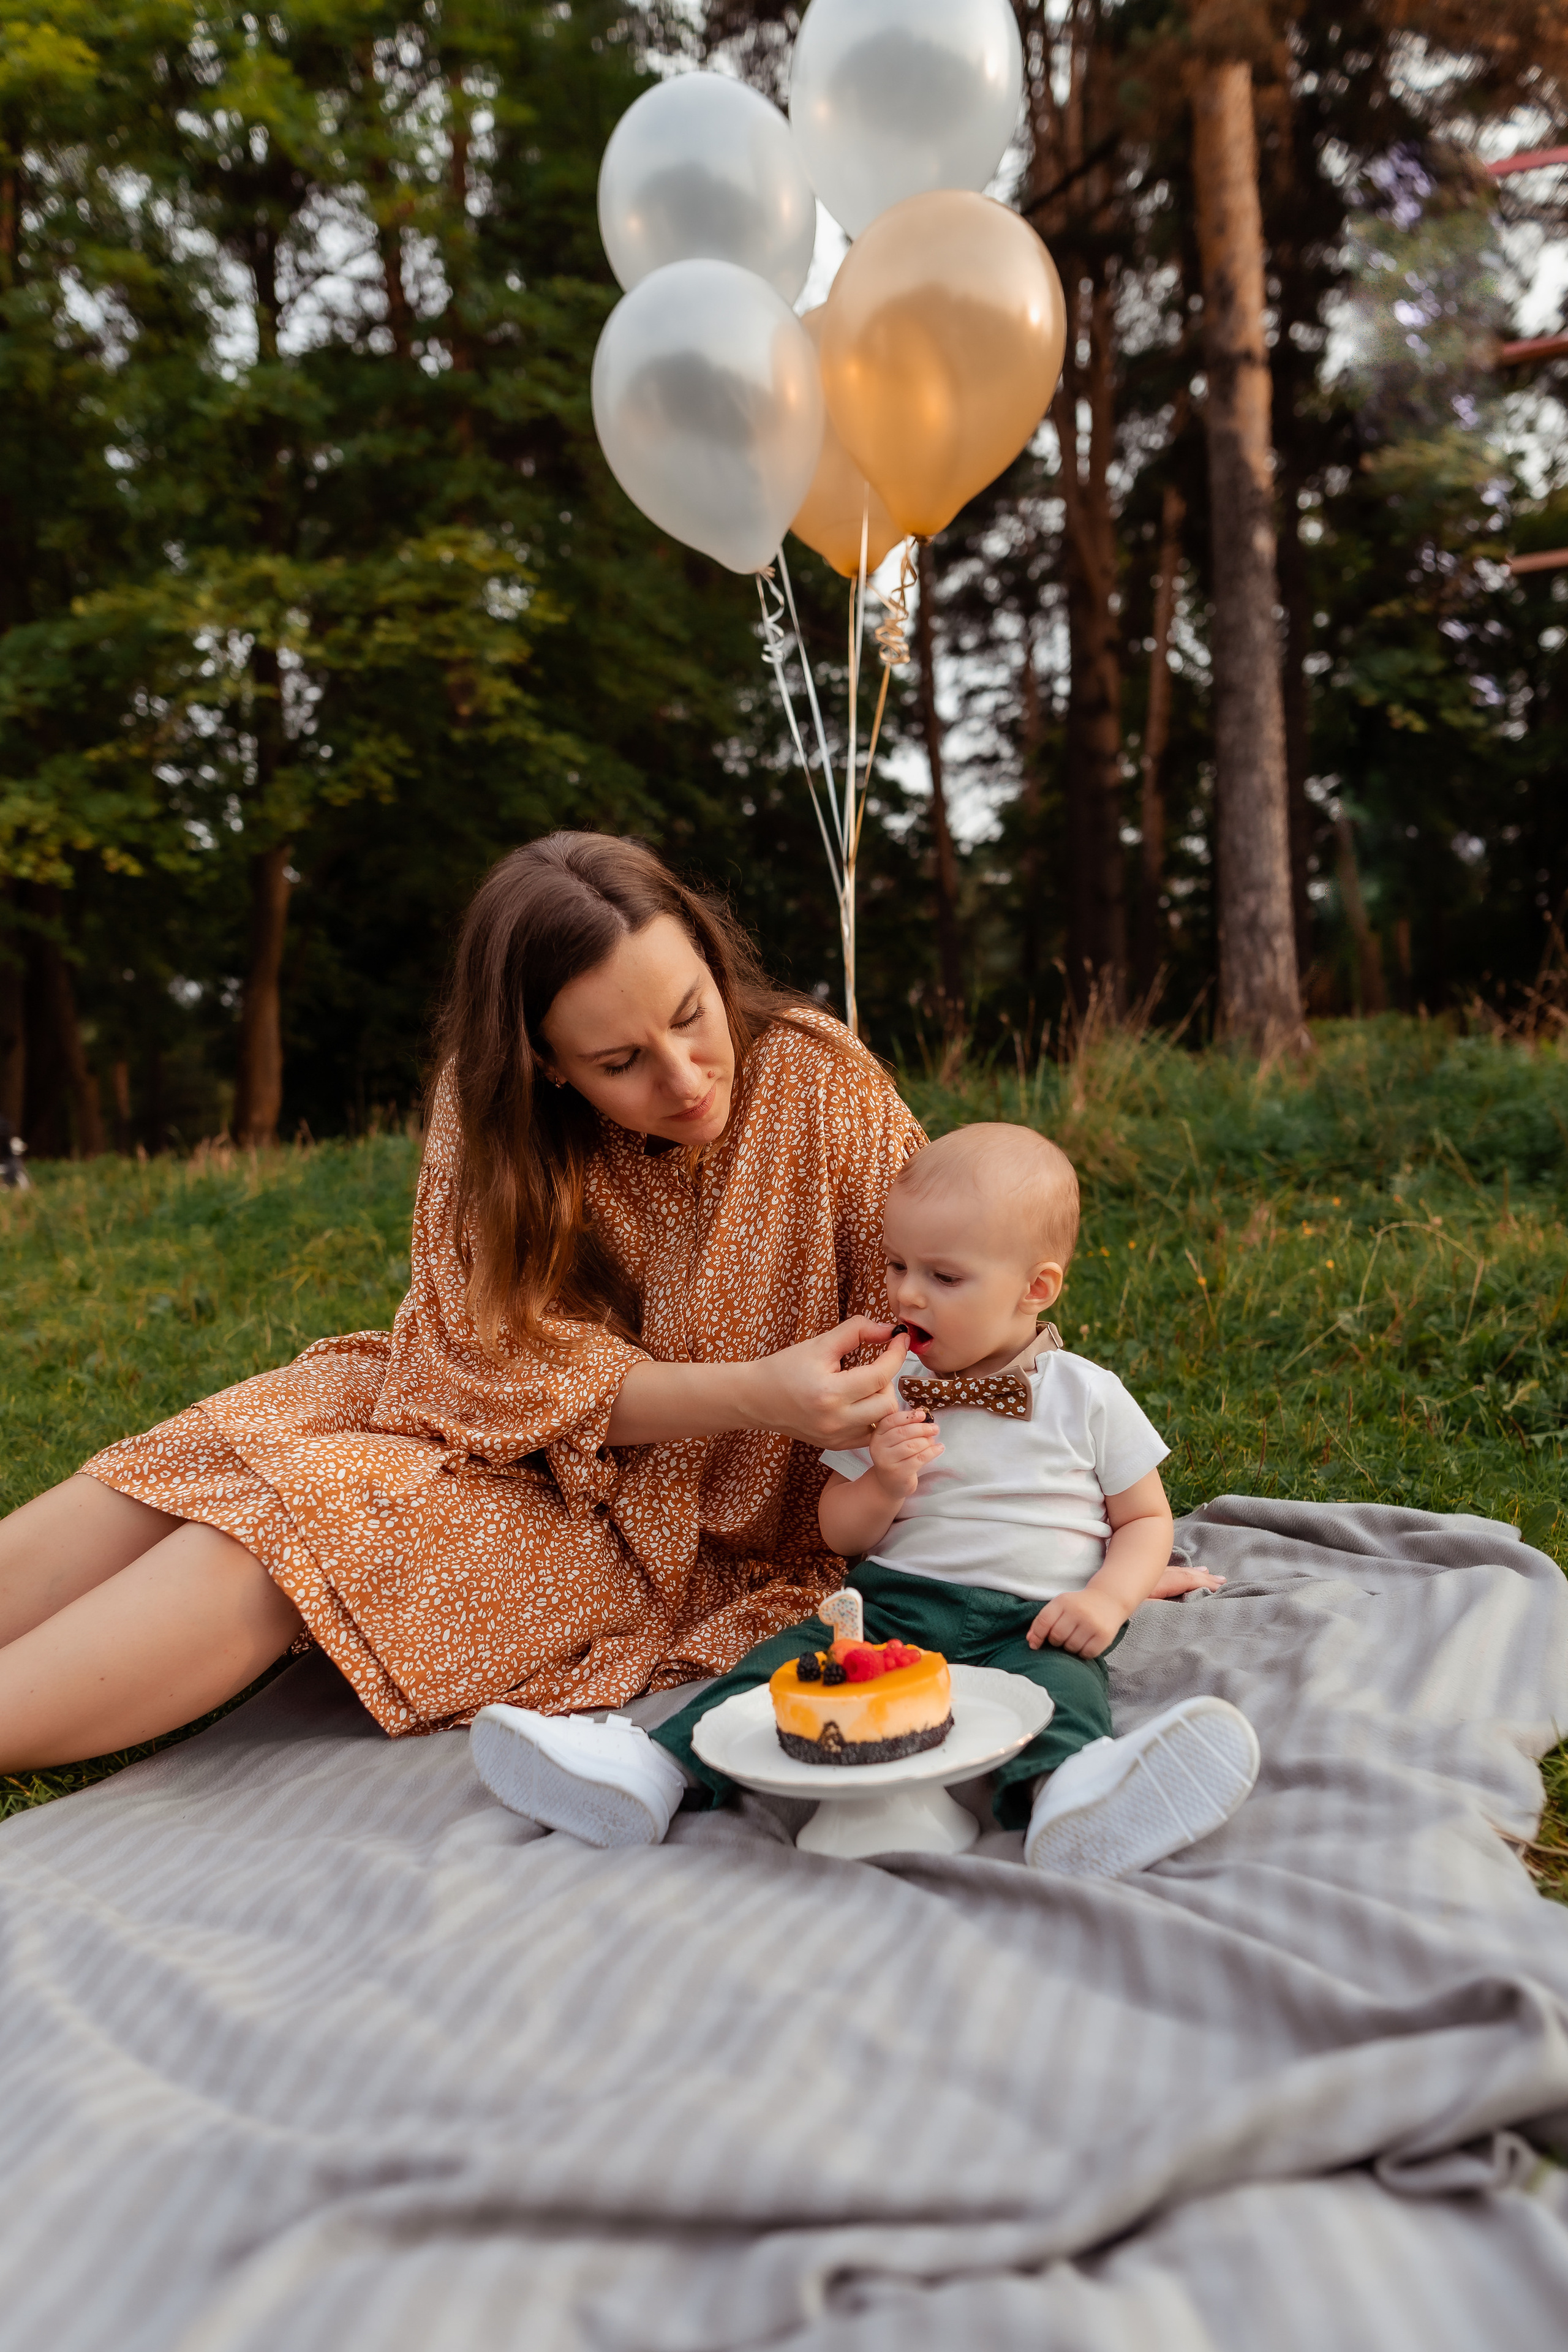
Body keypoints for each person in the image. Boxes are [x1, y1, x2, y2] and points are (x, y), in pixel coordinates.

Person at [0, 833, 1212, 1777]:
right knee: (203, 1461)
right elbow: (482, 1365)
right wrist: (762, 1387)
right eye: (619, 1063)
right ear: (540, 1060)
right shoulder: (490, 1121)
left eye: (689, 1017)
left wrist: (1070, 1534)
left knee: (289, 1533)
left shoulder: (817, 1080)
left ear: (703, 950)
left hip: (663, 1529)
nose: (684, 1079)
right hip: (477, 1423)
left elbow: (953, 1299)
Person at [472, 1123, 1258, 1878]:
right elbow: (837, 1531)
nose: (907, 1294)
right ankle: (648, 1771)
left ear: (1035, 1288)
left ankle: (1078, 1796)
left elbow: (1146, 1518)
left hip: (1038, 1615)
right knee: (781, 1668)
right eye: (895, 1266)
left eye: (943, 1277)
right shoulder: (885, 1391)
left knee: (1068, 1694)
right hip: (896, 1607)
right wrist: (882, 1481)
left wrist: (1110, 1598)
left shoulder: (1086, 1394)